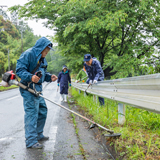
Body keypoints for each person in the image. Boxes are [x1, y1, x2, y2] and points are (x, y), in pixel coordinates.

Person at [16, 37, 58, 149]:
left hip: (38, 90)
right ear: (41, 48)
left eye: (48, 51)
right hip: (28, 88)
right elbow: (19, 70)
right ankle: (31, 141)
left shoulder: (43, 59)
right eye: (46, 50)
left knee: (43, 110)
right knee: (32, 113)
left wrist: (50, 77)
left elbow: (43, 75)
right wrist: (30, 77)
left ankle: (39, 134)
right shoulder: (28, 54)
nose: (47, 53)